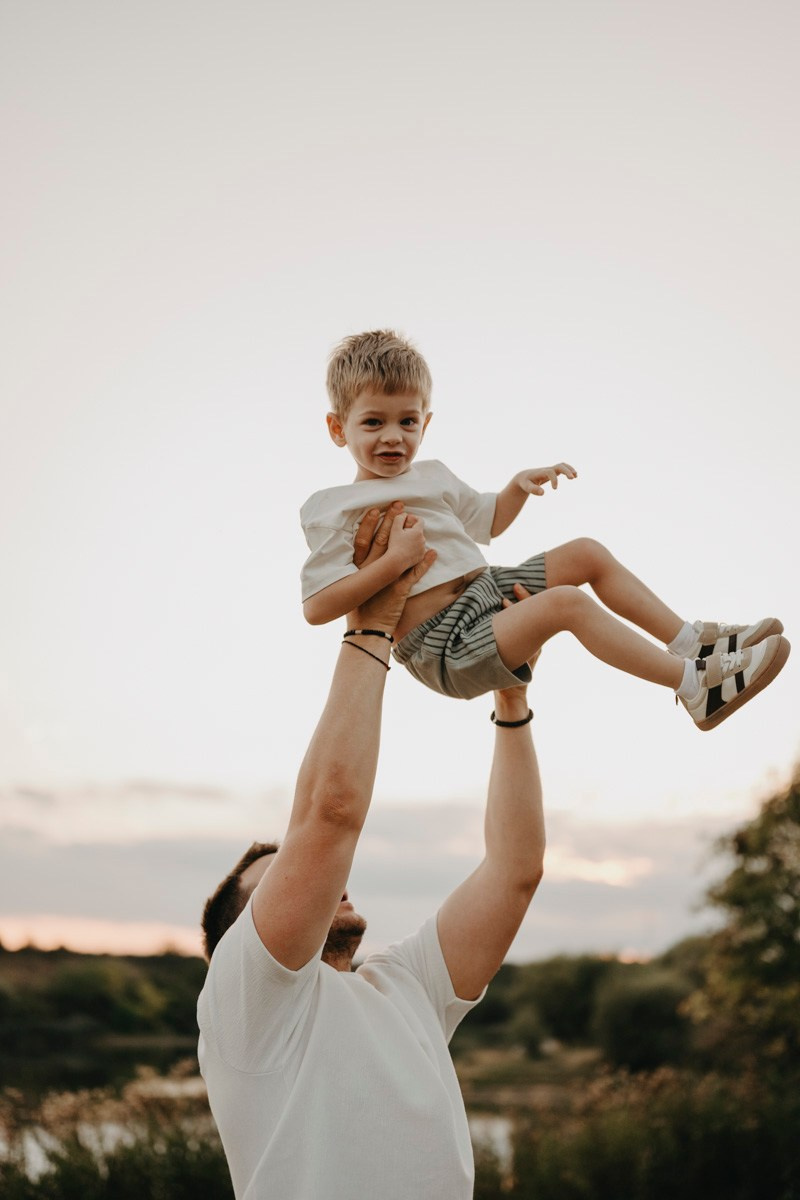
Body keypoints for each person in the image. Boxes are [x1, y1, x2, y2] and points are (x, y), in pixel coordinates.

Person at [197, 506, 545, 1200]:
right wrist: (372, 623)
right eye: (281, 880)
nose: (328, 882)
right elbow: (328, 818)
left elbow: (515, 872)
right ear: (240, 937)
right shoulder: (246, 998)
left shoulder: (405, 985)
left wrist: (510, 698)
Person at [300, 329, 789, 729]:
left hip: (487, 591)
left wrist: (515, 488)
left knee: (586, 553)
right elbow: (317, 607)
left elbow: (489, 520)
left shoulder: (434, 476)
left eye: (407, 421)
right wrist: (394, 562)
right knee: (566, 604)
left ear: (425, 424)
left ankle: (691, 642)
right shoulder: (332, 508)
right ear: (338, 428)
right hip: (442, 645)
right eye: (373, 423)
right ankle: (694, 685)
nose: (393, 436)